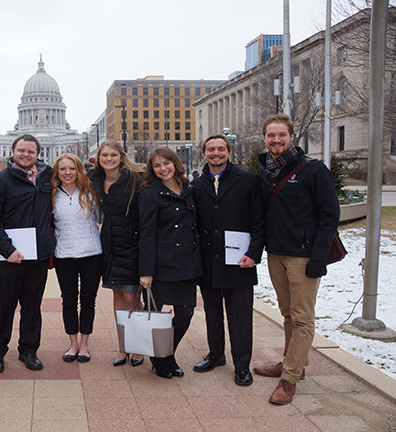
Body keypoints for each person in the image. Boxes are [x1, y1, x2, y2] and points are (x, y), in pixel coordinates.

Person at [253, 114, 340, 405]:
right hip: (276, 254)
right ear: (264, 138)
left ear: (292, 137)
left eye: (281, 135)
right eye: (270, 135)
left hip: (303, 258)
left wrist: (318, 258)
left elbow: (329, 216)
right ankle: (293, 364)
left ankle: (289, 378)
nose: (276, 140)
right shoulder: (266, 170)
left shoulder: (313, 170)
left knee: (302, 318)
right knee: (288, 314)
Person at [191, 134, 265, 386]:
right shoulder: (197, 185)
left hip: (240, 261)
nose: (216, 153)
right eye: (210, 149)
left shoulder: (249, 181)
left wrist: (254, 254)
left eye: (220, 149)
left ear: (229, 152)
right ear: (204, 154)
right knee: (212, 314)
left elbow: (259, 221)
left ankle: (242, 365)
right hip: (209, 263)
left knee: (240, 317)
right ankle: (215, 355)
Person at [0, 134, 55, 373]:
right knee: (3, 305)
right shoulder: (1, 180)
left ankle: (29, 350)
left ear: (37, 154)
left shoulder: (47, 178)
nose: (26, 155)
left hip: (38, 255)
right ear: (13, 152)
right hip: (8, 256)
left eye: (31, 151)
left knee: (32, 306)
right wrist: (7, 249)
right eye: (21, 150)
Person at [138, 147, 202, 378]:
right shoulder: (149, 194)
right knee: (155, 316)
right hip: (160, 264)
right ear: (152, 170)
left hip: (186, 263)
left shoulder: (188, 189)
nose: (163, 168)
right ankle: (160, 357)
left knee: (185, 314)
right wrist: (146, 271)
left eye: (166, 163)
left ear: (175, 163)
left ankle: (166, 353)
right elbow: (146, 233)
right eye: (157, 165)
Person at [90, 140, 145, 367]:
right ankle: (123, 345)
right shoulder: (95, 179)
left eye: (113, 155)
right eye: (105, 155)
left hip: (132, 243)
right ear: (99, 158)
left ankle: (138, 345)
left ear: (121, 157)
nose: (109, 159)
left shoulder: (136, 179)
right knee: (118, 297)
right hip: (110, 244)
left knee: (132, 297)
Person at [51, 154, 102, 363]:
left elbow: (101, 217)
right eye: (62, 169)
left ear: (78, 170)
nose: (67, 173)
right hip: (64, 254)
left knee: (88, 300)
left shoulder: (90, 192)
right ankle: (73, 343)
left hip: (91, 253)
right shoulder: (52, 194)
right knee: (68, 300)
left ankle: (85, 344)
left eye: (71, 168)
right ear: (57, 172)